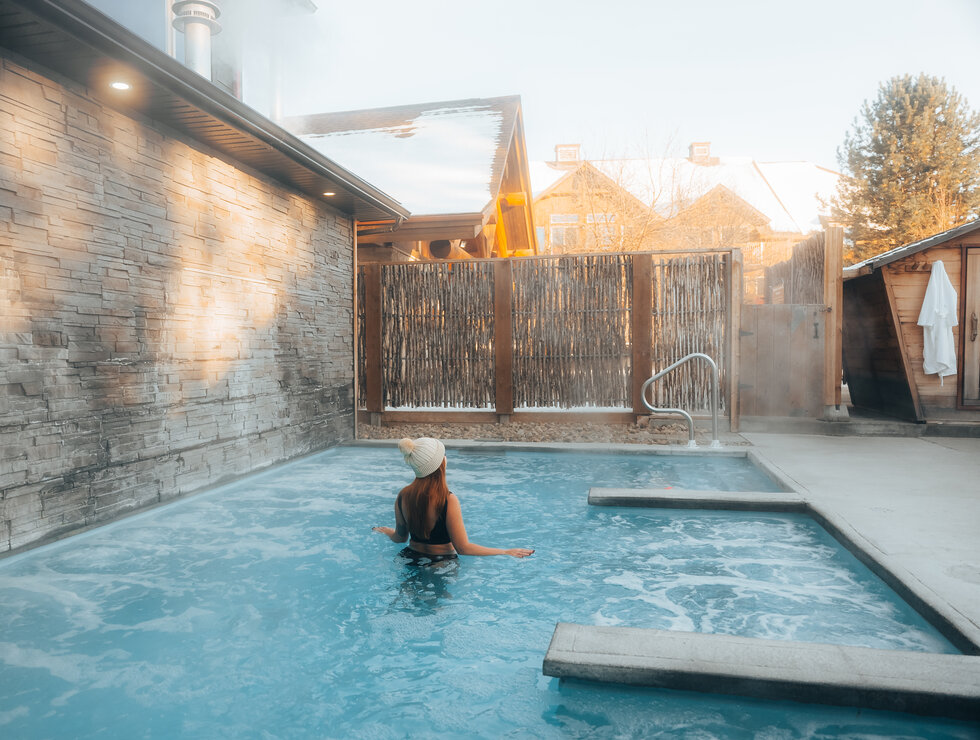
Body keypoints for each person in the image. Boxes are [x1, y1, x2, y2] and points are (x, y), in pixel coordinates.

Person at [372, 437, 534, 564]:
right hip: (440, 563)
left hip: (408, 558)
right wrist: (505, 552)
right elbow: (463, 548)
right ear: (440, 464)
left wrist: (387, 532)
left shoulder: (403, 495)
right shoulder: (448, 499)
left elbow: (400, 538)